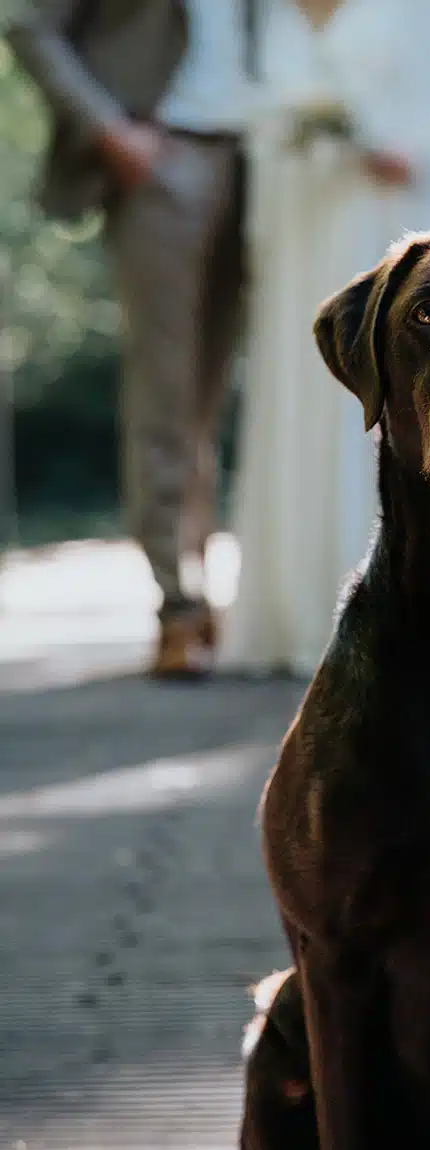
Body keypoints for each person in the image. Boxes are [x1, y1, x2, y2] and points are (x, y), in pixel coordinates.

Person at [220, 0, 430, 677]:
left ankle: (427, 607)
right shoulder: (274, 10)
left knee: (407, 401)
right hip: (305, 232)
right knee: (306, 401)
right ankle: (300, 614)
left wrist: (410, 150)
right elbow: (260, 120)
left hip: (401, 219)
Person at [5, 0, 257, 678]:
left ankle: (223, 592)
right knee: (164, 391)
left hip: (266, 164)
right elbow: (28, 24)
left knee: (220, 393)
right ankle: (178, 603)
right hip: (165, 159)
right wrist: (108, 130)